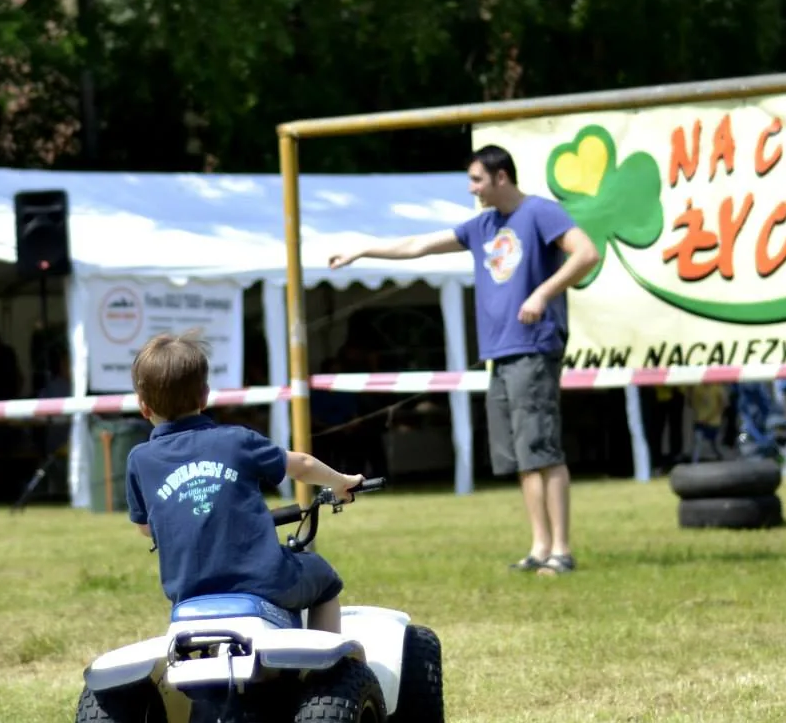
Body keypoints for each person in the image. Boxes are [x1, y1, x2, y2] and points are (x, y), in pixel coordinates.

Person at [329, 144, 598, 575]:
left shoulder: (540, 213)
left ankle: (561, 550)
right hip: (501, 353)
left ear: (501, 177)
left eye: (477, 180)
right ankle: (539, 547)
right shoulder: (482, 225)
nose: (472, 188)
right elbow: (418, 245)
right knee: (520, 455)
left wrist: (542, 293)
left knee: (541, 449)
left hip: (533, 347)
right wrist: (363, 250)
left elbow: (586, 253)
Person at [125, 331, 363, 633]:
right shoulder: (237, 440)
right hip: (267, 581)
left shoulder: (139, 459)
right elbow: (302, 465)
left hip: (188, 592)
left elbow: (146, 527)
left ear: (143, 406)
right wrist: (342, 482)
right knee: (324, 579)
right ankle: (329, 659)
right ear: (205, 396)